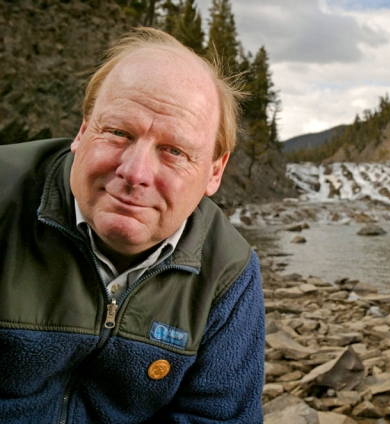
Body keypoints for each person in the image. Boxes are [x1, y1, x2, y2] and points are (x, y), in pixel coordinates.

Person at [0, 28, 264, 423]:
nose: (136, 172)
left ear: (214, 172)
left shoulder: (228, 273)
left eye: (174, 151)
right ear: (83, 132)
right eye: (119, 133)